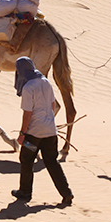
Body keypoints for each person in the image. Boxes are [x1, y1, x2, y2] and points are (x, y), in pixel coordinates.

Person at [11, 56, 73, 206]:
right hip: (50, 133)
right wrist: (48, 122)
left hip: (33, 135)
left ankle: (25, 193)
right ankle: (66, 193)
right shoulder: (45, 82)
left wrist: (22, 134)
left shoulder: (28, 88)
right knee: (52, 162)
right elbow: (52, 105)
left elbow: (27, 114)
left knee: (26, 160)